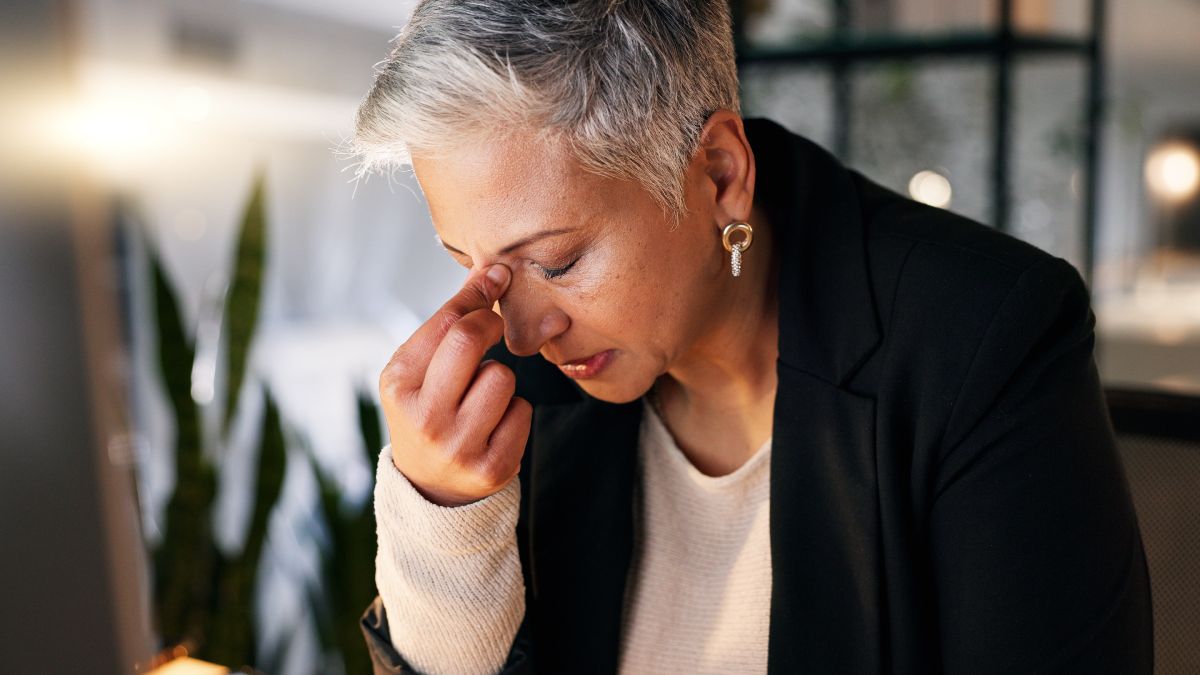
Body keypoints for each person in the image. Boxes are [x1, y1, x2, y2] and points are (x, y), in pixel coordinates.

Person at [349, 1, 1153, 673]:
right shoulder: (507, 389)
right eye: (471, 261)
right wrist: (443, 517)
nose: (522, 332)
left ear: (722, 174)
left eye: (558, 261)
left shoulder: (984, 340)